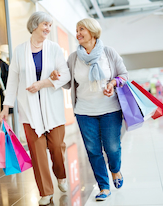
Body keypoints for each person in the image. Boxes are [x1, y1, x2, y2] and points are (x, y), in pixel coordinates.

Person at [50, 18, 128, 201]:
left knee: (112, 147)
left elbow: (123, 75)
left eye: (81, 29)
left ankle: (115, 170)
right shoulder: (74, 58)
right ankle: (104, 187)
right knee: (93, 150)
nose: (77, 34)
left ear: (92, 32)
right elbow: (68, 84)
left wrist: (113, 82)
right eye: (76, 30)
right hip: (84, 111)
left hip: (110, 109)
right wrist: (56, 75)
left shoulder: (108, 53)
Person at [0, 11, 71, 205]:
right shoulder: (20, 50)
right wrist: (7, 106)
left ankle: (61, 176)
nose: (48, 28)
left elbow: (65, 75)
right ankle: (45, 192)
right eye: (45, 25)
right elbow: (12, 80)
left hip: (53, 109)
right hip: (29, 111)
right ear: (34, 26)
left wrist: (44, 83)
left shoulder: (54, 48)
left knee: (56, 147)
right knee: (38, 153)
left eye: (49, 25)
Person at [0, 44, 13, 129]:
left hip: (8, 90)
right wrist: (4, 89)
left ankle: (12, 132)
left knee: (11, 111)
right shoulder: (0, 63)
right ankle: (8, 131)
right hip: (5, 90)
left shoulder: (6, 63)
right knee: (7, 112)